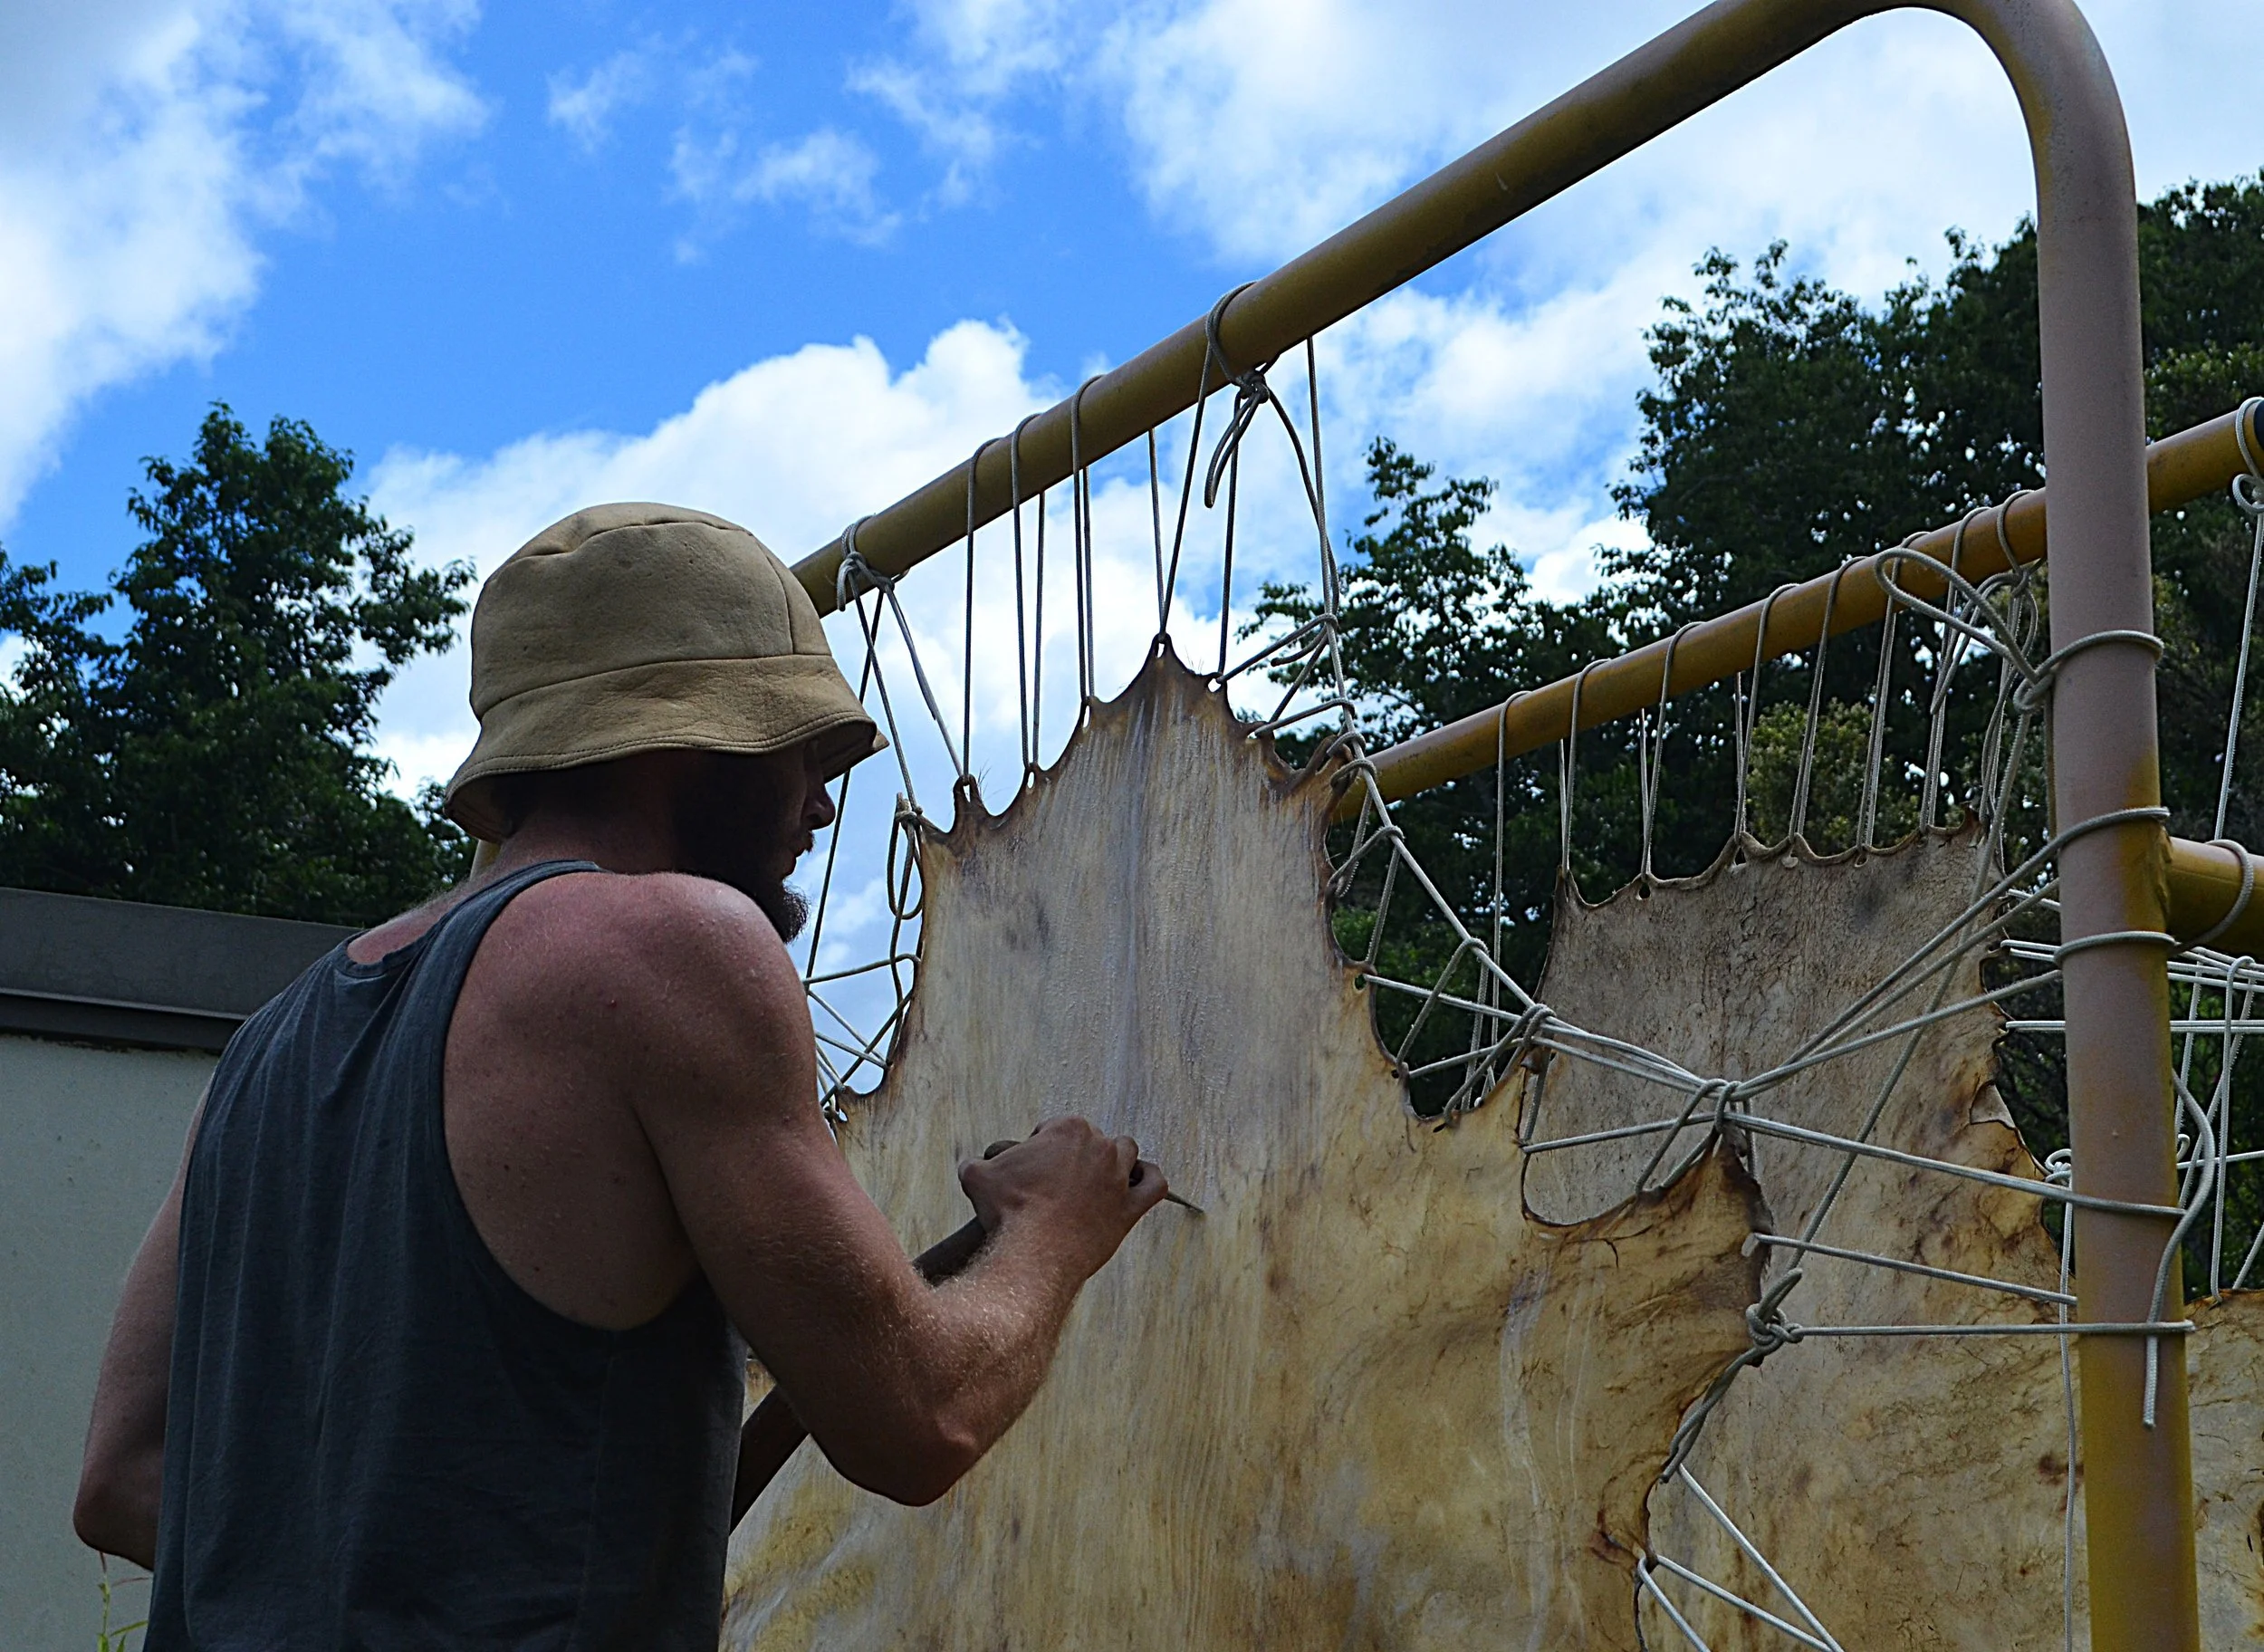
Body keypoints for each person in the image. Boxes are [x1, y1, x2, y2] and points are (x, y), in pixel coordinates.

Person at [72, 504, 1171, 1647]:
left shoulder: (267, 1044)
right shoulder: (670, 947)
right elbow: (922, 1420)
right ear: (681, 744)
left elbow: (124, 1480)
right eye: (797, 748)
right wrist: (1050, 1226)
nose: (821, 799)